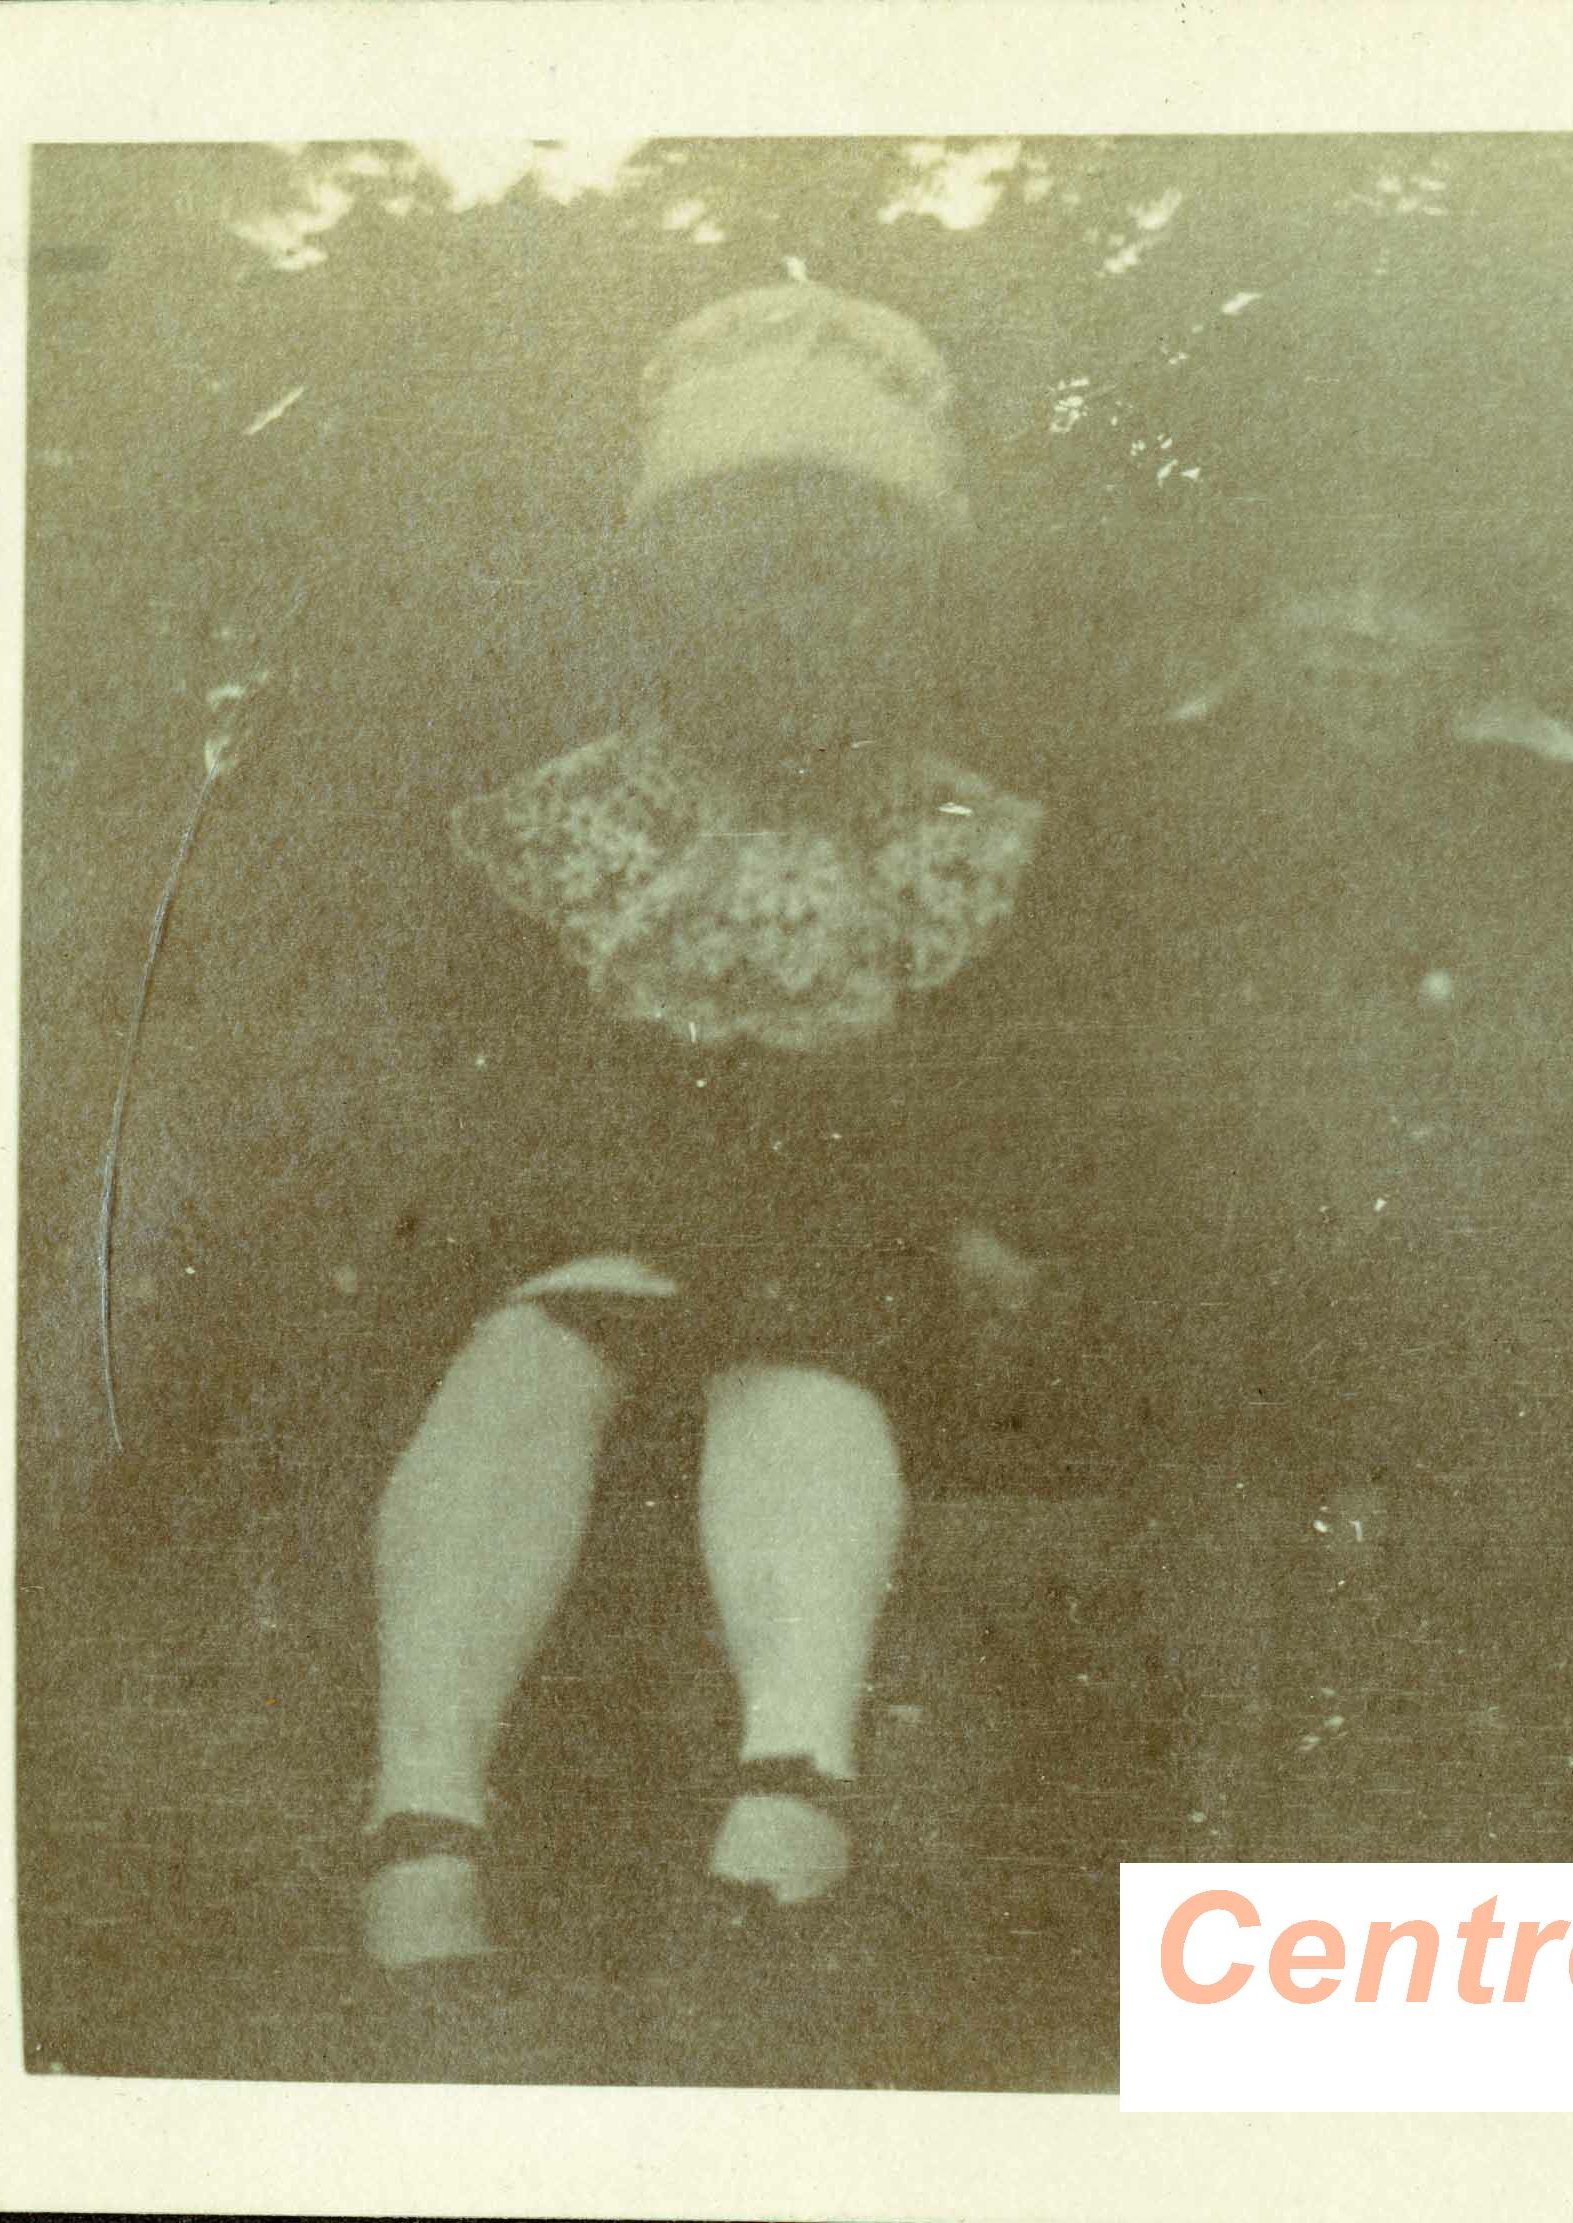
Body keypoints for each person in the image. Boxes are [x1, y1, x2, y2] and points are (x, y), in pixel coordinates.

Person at [352, 284, 1075, 2024]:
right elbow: (491, 1096)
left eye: (845, 576)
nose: (796, 619)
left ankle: (792, 1772)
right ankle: (424, 1804)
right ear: (668, 591)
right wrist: (602, 1219)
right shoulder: (566, 825)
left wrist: (972, 1225)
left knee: (794, 1364)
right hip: (597, 1236)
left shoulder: (966, 842)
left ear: (909, 606)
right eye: (750, 571)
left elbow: (1008, 1110)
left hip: (850, 1269)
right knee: (532, 1347)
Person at [1053, 527, 1573, 1858]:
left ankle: (1451, 1855)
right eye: (1320, 583)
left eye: (1406, 592)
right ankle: (1214, 1829)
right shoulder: (1150, 791)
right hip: (1204, 1260)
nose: (1360, 628)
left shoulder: (1552, 805)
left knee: (1493, 1451)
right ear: (1252, 616)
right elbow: (1078, 1043)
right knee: (1205, 1458)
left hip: (1462, 1260)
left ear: (1468, 637)